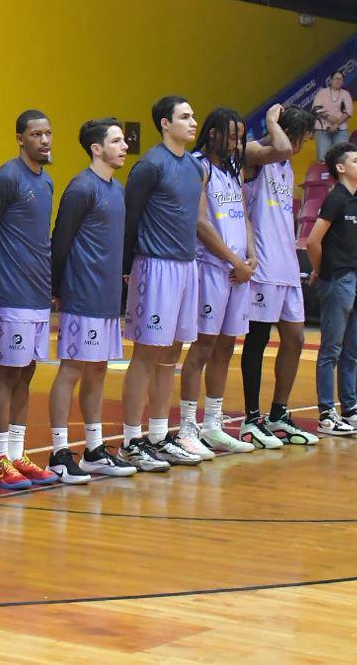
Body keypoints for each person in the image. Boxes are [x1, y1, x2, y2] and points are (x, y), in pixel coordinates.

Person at [119, 95, 207, 469]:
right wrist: (125, 268)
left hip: (186, 266)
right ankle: (129, 440)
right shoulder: (150, 165)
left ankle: (157, 436)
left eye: (193, 115)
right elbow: (129, 218)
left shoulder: (194, 167)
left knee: (172, 353)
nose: (192, 121)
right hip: (155, 267)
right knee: (146, 353)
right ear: (165, 124)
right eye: (185, 116)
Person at [48, 118, 136, 478]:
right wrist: (56, 288)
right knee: (72, 369)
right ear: (97, 148)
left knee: (98, 371)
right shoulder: (82, 188)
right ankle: (58, 453)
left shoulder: (117, 190)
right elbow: (60, 241)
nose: (124, 146)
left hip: (107, 297)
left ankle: (95, 450)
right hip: (82, 295)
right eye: (116, 140)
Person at [0, 110, 64, 488]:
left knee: (27, 373)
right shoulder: (6, 178)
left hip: (36, 292)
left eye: (48, 133)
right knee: (7, 373)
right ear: (20, 139)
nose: (44, 140)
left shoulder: (45, 182)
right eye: (36, 134)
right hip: (9, 293)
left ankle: (18, 453)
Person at [239, 105, 323, 446]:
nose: (300, 148)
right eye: (299, 139)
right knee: (257, 341)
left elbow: (286, 151)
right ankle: (251, 418)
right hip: (263, 268)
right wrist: (272, 122)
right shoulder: (255, 155)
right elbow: (282, 147)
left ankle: (278, 413)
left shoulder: (286, 167)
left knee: (296, 339)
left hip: (287, 265)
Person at [176, 109, 257, 454]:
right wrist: (235, 260)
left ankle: (213, 424)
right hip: (211, 267)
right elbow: (199, 223)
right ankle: (187, 428)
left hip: (238, 272)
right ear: (212, 134)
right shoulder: (199, 166)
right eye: (232, 136)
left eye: (240, 137)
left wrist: (252, 258)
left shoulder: (233, 170)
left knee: (226, 346)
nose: (238, 143)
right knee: (203, 347)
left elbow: (244, 217)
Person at [304, 141, 357, 436]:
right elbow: (314, 241)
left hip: (355, 279)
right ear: (341, 168)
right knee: (332, 349)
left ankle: (350, 409)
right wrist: (320, 270)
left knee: (351, 349)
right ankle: (327, 413)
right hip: (337, 280)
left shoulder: (356, 200)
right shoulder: (336, 199)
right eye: (355, 160)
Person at [312, 72, 354, 160]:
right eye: (336, 78)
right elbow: (316, 109)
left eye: (341, 79)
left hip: (340, 128)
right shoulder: (322, 92)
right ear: (330, 80)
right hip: (322, 128)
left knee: (342, 156)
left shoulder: (345, 94)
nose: (338, 81)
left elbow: (348, 111)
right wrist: (328, 117)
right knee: (323, 157)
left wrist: (336, 124)